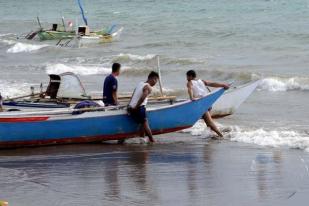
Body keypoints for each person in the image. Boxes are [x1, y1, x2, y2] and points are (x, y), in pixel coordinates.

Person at [186, 70, 229, 138]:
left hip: (202, 103)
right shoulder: (201, 81)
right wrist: (223, 85)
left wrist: (191, 98)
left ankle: (221, 136)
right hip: (208, 102)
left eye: (187, 76)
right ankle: (212, 135)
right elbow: (212, 84)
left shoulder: (189, 82)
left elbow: (190, 89)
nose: (187, 78)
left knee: (209, 122)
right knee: (207, 121)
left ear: (190, 76)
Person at [127, 71, 160, 143]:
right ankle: (152, 140)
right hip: (138, 108)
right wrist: (136, 107)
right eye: (156, 80)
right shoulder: (148, 87)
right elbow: (142, 98)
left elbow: (133, 94)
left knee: (142, 123)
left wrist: (129, 105)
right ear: (152, 78)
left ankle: (142, 138)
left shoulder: (140, 83)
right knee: (145, 124)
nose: (156, 82)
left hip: (131, 107)